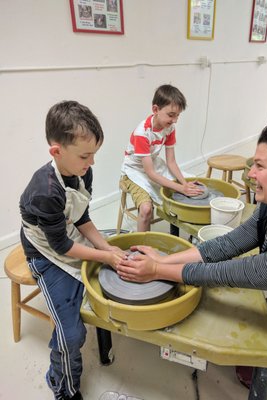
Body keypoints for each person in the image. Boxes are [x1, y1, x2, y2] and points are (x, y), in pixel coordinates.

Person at [117, 115, 267, 397]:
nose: (250, 174)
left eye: (260, 166)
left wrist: (155, 272)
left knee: (247, 370)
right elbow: (226, 245)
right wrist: (163, 260)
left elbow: (230, 273)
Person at [19, 100, 126, 400]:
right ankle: (63, 386)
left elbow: (80, 217)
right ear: (56, 151)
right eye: (85, 155)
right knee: (72, 335)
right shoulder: (45, 191)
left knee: (117, 261)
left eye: (94, 154)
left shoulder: (81, 171)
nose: (91, 162)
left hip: (65, 233)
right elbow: (62, 246)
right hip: (45, 253)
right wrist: (105, 255)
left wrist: (107, 247)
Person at [120, 84, 203, 231]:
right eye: (171, 115)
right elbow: (150, 174)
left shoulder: (169, 128)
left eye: (177, 115)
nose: (175, 120)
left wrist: (184, 183)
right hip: (134, 171)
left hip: (153, 164)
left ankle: (184, 233)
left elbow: (171, 162)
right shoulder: (142, 134)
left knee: (193, 184)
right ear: (155, 110)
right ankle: (141, 247)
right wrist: (181, 188)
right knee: (146, 210)